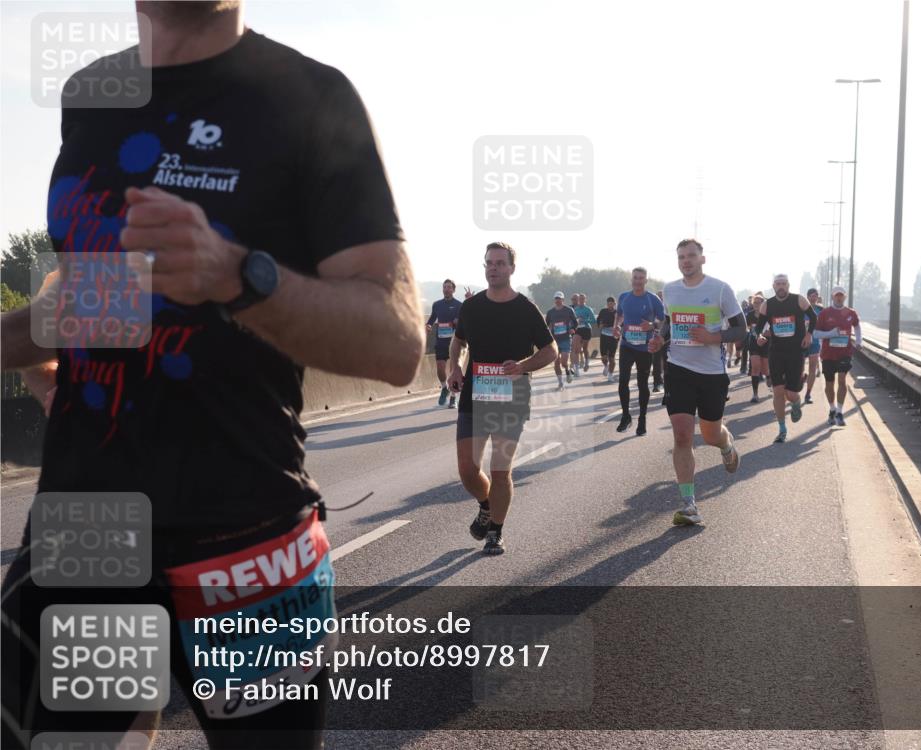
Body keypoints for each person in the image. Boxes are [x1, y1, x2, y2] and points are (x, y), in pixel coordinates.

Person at [0, 2, 424, 747]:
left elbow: (396, 345)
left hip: (248, 543)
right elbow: (85, 305)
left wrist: (237, 276)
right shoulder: (89, 97)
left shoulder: (310, 97)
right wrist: (47, 356)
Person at [449, 242, 556, 554]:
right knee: (468, 469)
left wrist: (522, 367)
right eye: (488, 263)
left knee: (500, 470)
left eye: (499, 263)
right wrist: (455, 367)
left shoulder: (525, 308)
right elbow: (458, 342)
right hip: (474, 395)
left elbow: (551, 350)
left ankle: (496, 530)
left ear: (511, 268)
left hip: (513, 397)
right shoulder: (471, 307)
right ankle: (486, 505)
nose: (493, 268)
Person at [651, 239, 745, 525]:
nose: (686, 261)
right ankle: (689, 504)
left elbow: (742, 329)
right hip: (679, 369)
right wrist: (660, 339)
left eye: (691, 256)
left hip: (712, 374)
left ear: (702, 259)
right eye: (681, 257)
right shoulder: (670, 290)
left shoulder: (719, 289)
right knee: (681, 435)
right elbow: (670, 322)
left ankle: (726, 444)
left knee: (710, 435)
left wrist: (714, 338)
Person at [756, 274, 817, 443]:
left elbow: (813, 317)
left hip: (796, 352)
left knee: (791, 394)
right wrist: (759, 336)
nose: (781, 286)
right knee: (778, 392)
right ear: (773, 286)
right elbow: (758, 328)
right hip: (776, 352)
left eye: (783, 284)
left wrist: (809, 335)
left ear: (788, 285)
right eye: (778, 284)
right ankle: (782, 429)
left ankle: (796, 403)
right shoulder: (767, 306)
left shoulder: (799, 300)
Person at [614, 267, 664, 436]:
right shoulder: (624, 297)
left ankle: (642, 419)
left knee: (643, 384)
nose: (637, 280)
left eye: (641, 278)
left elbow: (663, 320)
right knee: (623, 381)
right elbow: (619, 314)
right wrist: (616, 326)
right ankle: (626, 415)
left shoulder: (653, 299)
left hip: (644, 348)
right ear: (631, 279)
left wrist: (652, 326)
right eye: (635, 277)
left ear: (646, 281)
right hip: (627, 345)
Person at [814, 285, 863, 426]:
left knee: (842, 380)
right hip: (828, 354)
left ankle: (840, 412)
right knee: (829, 384)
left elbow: (858, 326)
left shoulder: (850, 313)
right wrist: (831, 334)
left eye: (841, 295)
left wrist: (859, 341)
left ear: (845, 297)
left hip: (845, 352)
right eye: (837, 295)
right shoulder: (824, 313)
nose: (839, 297)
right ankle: (832, 409)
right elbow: (816, 334)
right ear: (832, 297)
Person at [426, 279, 463, 407]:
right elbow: (431, 319)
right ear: (442, 289)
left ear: (453, 289)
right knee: (440, 368)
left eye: (449, 287)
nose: (446, 289)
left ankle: (453, 397)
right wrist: (428, 325)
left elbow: (463, 323)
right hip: (441, 341)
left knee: (454, 370)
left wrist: (458, 322)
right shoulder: (437, 304)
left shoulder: (459, 305)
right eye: (445, 287)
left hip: (455, 342)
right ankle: (444, 388)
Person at [545, 292, 577, 390]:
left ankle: (568, 370)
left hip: (566, 338)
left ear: (563, 300)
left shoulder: (569, 310)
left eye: (559, 298)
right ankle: (560, 383)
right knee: (556, 362)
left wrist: (573, 329)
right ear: (554, 300)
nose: (557, 300)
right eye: (556, 298)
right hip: (554, 340)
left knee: (563, 362)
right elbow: (545, 325)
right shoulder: (550, 312)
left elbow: (575, 322)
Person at [745, 294, 771, 403]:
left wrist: (765, 335)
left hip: (766, 342)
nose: (756, 304)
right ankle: (755, 395)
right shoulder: (750, 315)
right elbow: (746, 328)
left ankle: (769, 377)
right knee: (755, 367)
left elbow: (772, 331)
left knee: (765, 369)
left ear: (763, 304)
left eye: (759, 302)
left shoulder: (768, 315)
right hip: (754, 343)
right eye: (755, 302)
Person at [802, 288, 823, 404]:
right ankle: (802, 378)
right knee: (799, 371)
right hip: (801, 343)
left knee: (812, 369)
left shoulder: (821, 310)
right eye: (811, 296)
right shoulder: (800, 310)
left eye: (815, 296)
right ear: (807, 297)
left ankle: (808, 394)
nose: (813, 298)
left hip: (815, 343)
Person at [572, 292, 597, 374]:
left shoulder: (588, 309)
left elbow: (593, 320)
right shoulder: (575, 309)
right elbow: (572, 320)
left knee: (585, 349)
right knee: (576, 349)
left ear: (585, 300)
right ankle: (576, 369)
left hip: (586, 329)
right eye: (580, 299)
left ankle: (586, 362)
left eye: (583, 299)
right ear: (578, 300)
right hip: (578, 330)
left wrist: (584, 320)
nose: (581, 300)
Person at [596, 296, 619, 381]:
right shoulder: (603, 311)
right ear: (607, 304)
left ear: (614, 304)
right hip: (604, 336)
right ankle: (606, 366)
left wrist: (617, 328)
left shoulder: (617, 313)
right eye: (608, 303)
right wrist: (600, 325)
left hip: (614, 337)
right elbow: (598, 320)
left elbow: (622, 323)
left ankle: (610, 374)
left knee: (612, 358)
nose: (610, 305)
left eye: (612, 303)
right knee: (604, 357)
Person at [652, 290, 665, 393]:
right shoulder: (652, 310)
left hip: (668, 340)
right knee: (656, 362)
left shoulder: (669, 308)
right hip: (655, 338)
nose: (660, 299)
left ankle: (668, 383)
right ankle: (657, 383)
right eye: (658, 297)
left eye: (662, 297)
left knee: (667, 363)